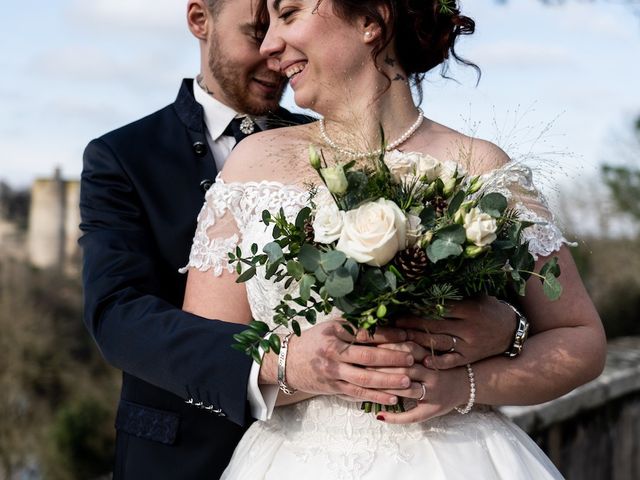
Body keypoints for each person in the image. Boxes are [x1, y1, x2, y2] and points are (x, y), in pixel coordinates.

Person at [79, 0, 518, 478]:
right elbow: (118, 315)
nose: (273, 52)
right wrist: (281, 365)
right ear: (199, 21)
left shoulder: (336, 138)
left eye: (286, 19)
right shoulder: (125, 155)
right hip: (191, 452)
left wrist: (509, 328)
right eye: (257, 31)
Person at [181, 0, 607, 478]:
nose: (269, 45)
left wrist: (466, 382)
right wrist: (294, 368)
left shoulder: (481, 168)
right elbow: (200, 350)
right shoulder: (251, 166)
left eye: (290, 13)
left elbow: (581, 340)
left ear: (370, 20)